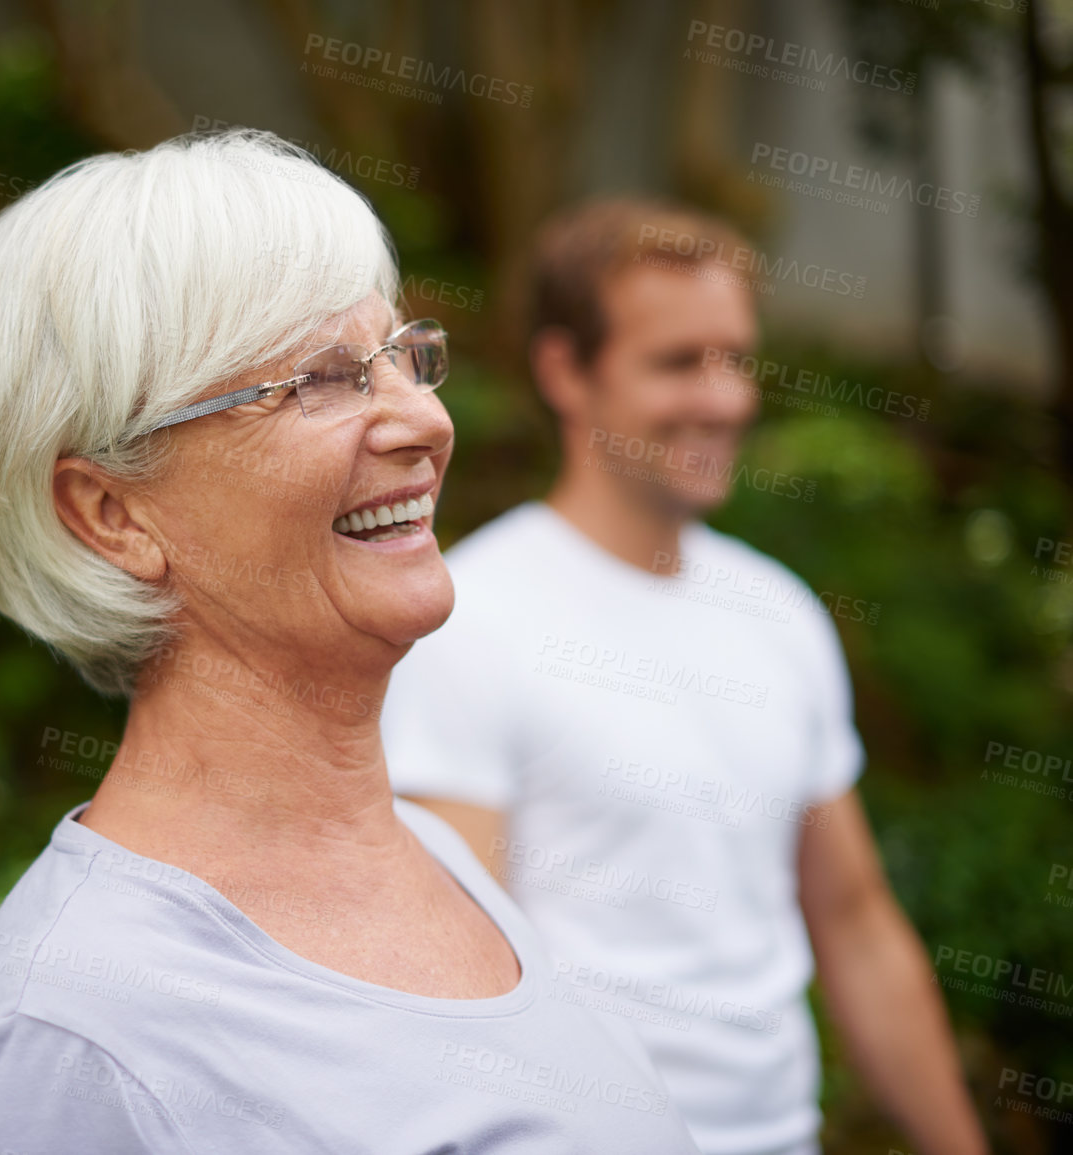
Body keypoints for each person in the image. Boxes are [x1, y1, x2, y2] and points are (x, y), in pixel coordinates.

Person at [0, 130, 698, 1153]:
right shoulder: (59, 1045)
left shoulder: (439, 856)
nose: (423, 421)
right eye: (320, 380)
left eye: (403, 357)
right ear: (110, 515)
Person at [380, 199, 987, 1155]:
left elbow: (857, 925)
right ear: (563, 372)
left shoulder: (779, 614)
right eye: (677, 362)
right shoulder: (467, 621)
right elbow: (455, 972)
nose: (725, 397)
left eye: (736, 358)